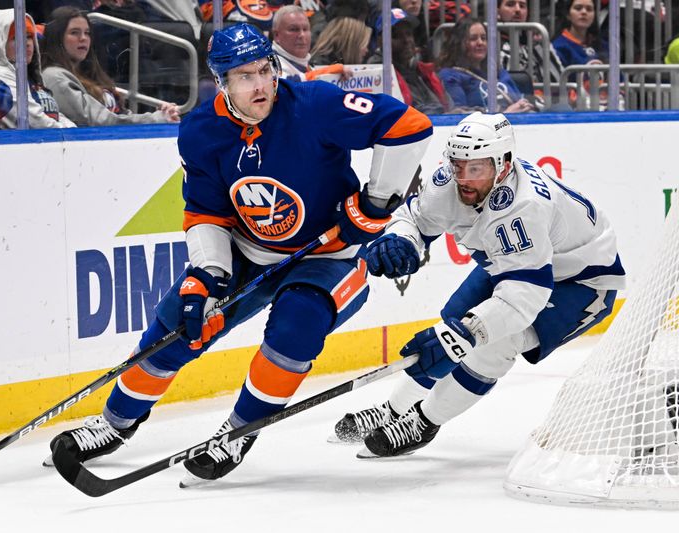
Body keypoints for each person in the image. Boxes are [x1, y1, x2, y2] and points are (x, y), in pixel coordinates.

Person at [46, 22, 433, 485]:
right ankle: (114, 424)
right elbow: (206, 211)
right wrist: (206, 275)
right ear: (221, 80)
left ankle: (237, 431)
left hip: (328, 254)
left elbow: (410, 126)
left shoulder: (313, 104)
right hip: (247, 251)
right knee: (177, 323)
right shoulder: (201, 132)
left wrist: (374, 203)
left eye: (265, 70)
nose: (261, 85)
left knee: (297, 325)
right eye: (245, 76)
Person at [330, 112, 626, 459]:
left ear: (503, 165)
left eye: (476, 169)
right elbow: (413, 218)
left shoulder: (524, 207)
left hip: (582, 284)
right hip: (519, 265)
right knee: (451, 327)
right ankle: (395, 409)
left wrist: (469, 334)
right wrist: (403, 240)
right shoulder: (450, 182)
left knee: (494, 344)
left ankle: (424, 422)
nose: (464, 179)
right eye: (458, 166)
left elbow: (523, 297)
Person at [41, 6, 179, 127]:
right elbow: (98, 121)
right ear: (57, 37)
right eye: (74, 33)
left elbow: (120, 114)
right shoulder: (55, 76)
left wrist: (161, 114)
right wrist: (154, 119)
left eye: (87, 33)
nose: (83, 38)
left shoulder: (89, 73)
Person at [0, 9, 75, 129]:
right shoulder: (0, 79)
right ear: (0, 42)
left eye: (29, 37)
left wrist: (72, 128)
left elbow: (55, 115)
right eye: (16, 37)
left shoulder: (29, 77)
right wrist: (71, 134)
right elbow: (35, 122)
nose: (27, 43)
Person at [437, 18, 535, 113]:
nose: (480, 43)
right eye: (473, 38)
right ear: (458, 44)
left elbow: (519, 101)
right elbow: (458, 116)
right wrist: (506, 115)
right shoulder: (451, 76)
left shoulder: (497, 72)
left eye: (483, 38)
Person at [369, 7, 451, 114]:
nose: (407, 40)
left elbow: (448, 105)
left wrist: (457, 111)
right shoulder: (377, 71)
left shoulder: (420, 70)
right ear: (381, 41)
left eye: (408, 34)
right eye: (396, 35)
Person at [497, 0, 564, 107]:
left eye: (522, 6)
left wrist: (540, 48)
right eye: (510, 4)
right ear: (497, 11)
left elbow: (558, 80)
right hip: (508, 104)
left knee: (563, 108)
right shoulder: (490, 44)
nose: (518, 9)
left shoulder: (539, 40)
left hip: (543, 102)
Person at [271, 4, 350, 82]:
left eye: (305, 29)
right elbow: (285, 86)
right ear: (277, 35)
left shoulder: (307, 66)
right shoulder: (269, 63)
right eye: (294, 29)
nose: (302, 35)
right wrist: (326, 73)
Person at [551, 0, 606, 70]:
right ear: (568, 15)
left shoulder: (603, 45)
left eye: (589, 9)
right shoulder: (557, 47)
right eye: (578, 8)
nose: (584, 12)